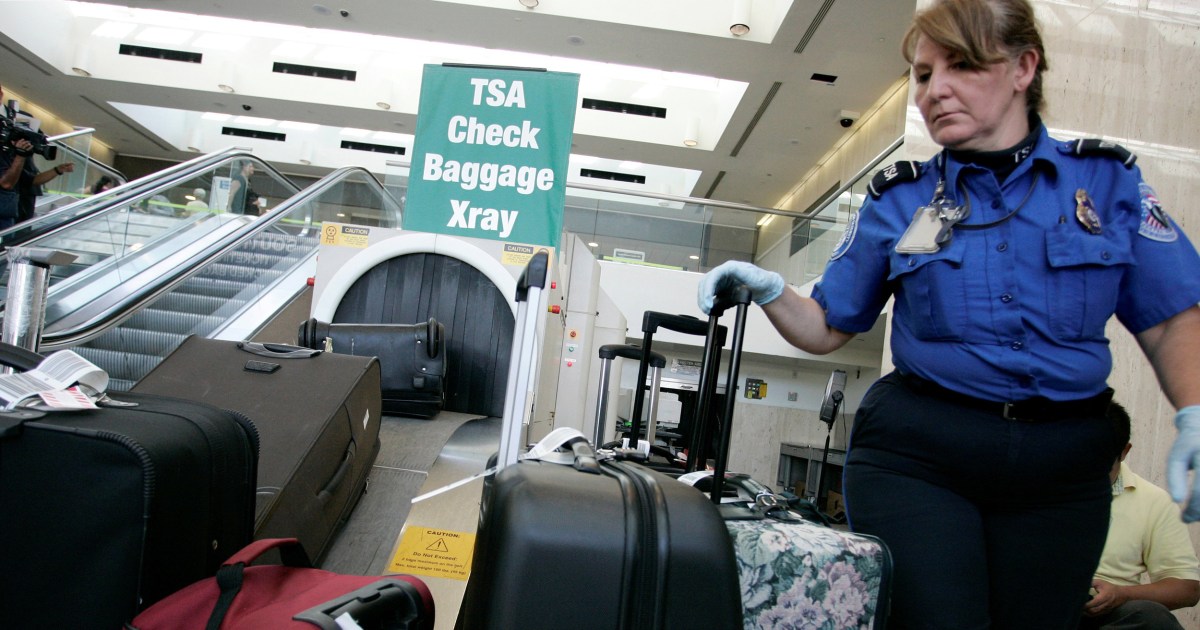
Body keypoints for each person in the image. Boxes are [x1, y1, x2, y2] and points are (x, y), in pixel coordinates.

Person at [696, 0, 1200, 628]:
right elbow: (829, 326)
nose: (937, 89)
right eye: (925, 73)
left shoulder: (1105, 183)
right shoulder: (901, 196)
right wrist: (773, 291)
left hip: (1059, 469)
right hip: (921, 456)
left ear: (1023, 67)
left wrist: (1193, 414)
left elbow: (1171, 315)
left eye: (961, 65)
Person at [1080, 401, 1200, 630]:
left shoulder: (1155, 501)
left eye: (1102, 468)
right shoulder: (1037, 487)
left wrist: (1121, 594)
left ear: (1124, 451)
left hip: (1103, 616)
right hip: (1037, 606)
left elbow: (1187, 588)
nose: (1089, 477)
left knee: (1151, 617)